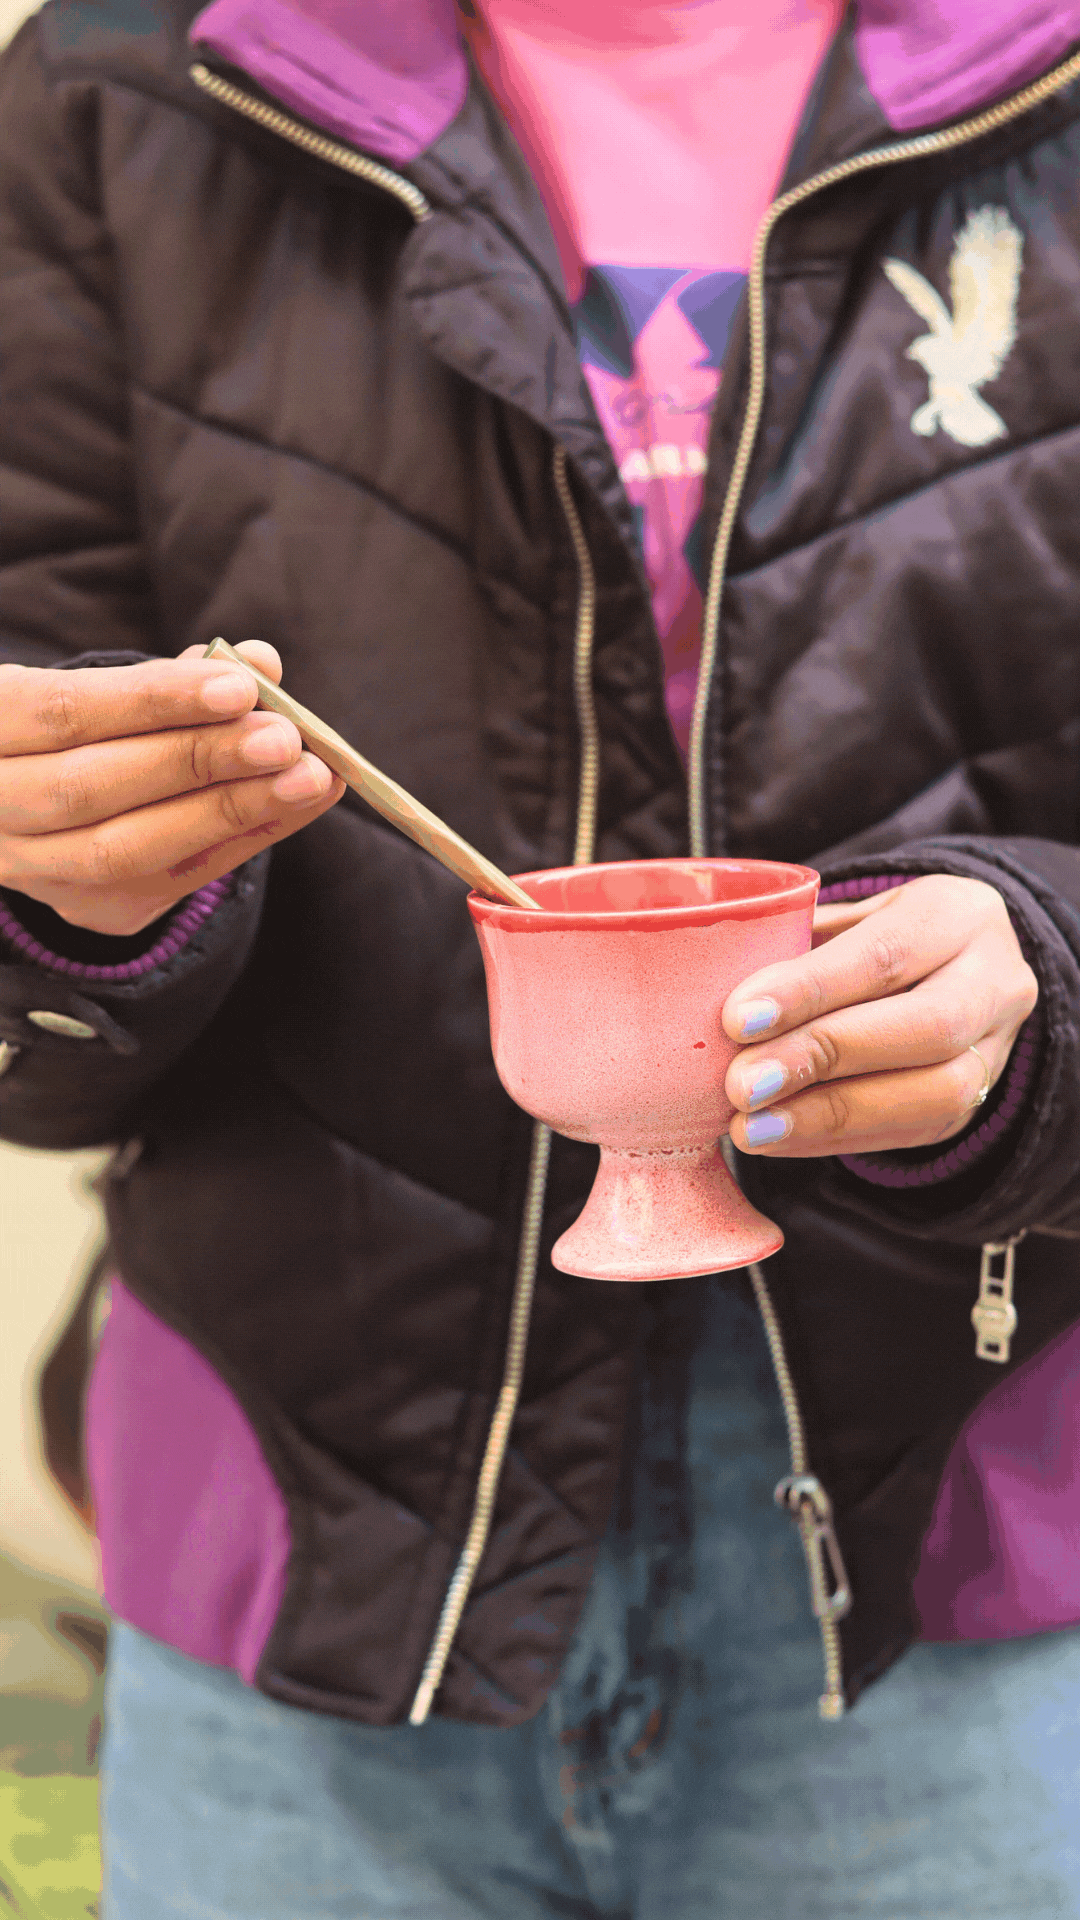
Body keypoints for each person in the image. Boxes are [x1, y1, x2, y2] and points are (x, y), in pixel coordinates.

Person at [3, 0, 1080, 1910]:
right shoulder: (119, 94)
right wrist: (70, 904)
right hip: (309, 1529)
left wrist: (1050, 978)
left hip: (966, 1529)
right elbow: (44, 1032)